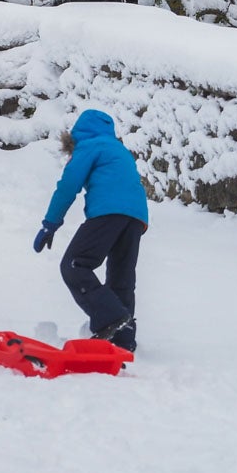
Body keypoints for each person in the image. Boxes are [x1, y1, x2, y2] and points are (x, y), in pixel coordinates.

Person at [33, 109, 148, 351]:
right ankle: (122, 341)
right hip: (136, 218)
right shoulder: (119, 150)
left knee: (75, 264)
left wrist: (50, 223)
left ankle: (111, 318)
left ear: (78, 132)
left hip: (108, 212)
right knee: (121, 277)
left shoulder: (89, 146)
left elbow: (68, 186)